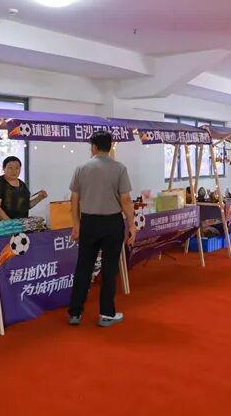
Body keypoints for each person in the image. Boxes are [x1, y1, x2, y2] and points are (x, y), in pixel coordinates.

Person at [67, 131, 136, 327]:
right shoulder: (120, 168)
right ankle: (106, 314)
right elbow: (126, 200)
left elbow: (74, 199)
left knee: (84, 267)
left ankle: (75, 313)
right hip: (112, 222)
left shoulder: (81, 168)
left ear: (94, 147)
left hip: (88, 222)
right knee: (109, 268)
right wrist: (131, 225)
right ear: (111, 146)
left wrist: (76, 224)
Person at [0, 156, 47, 221]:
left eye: (17, 168)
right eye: (10, 168)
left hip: (19, 225)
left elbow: (25, 206)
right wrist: (10, 223)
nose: (14, 171)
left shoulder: (22, 185)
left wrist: (39, 198)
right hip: (2, 225)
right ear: (4, 168)